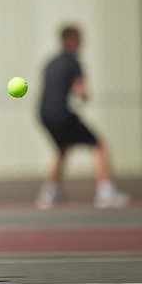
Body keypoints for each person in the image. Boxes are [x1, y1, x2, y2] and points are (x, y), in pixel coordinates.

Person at [37, 24, 130, 210]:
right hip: (62, 113)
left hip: (44, 114)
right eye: (80, 38)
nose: (82, 41)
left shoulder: (50, 62)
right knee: (99, 145)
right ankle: (106, 193)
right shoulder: (73, 61)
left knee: (62, 147)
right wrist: (84, 95)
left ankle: (49, 192)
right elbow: (82, 91)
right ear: (72, 40)